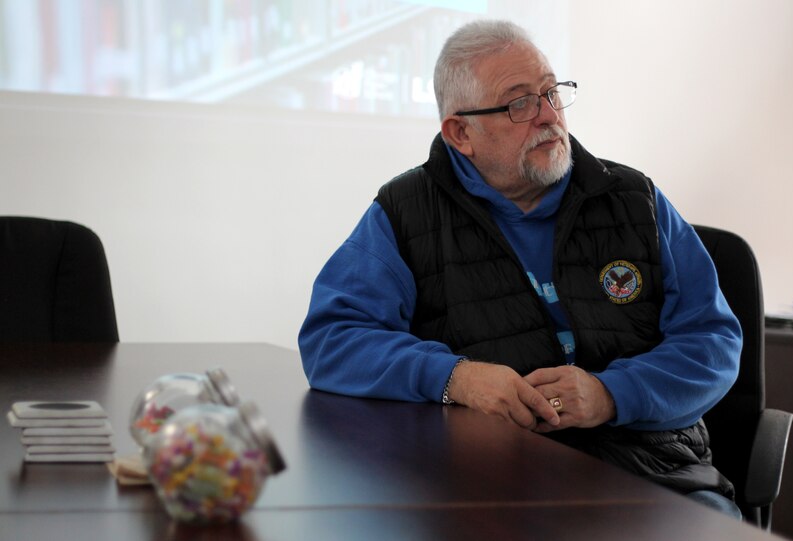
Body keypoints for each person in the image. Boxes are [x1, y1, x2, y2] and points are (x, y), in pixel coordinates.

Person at [298, 19, 743, 517]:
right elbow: (332, 340)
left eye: (551, 92)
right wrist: (455, 378)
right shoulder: (405, 213)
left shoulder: (635, 200)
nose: (548, 116)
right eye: (519, 103)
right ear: (461, 132)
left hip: (653, 477)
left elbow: (714, 343)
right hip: (485, 483)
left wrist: (612, 394)